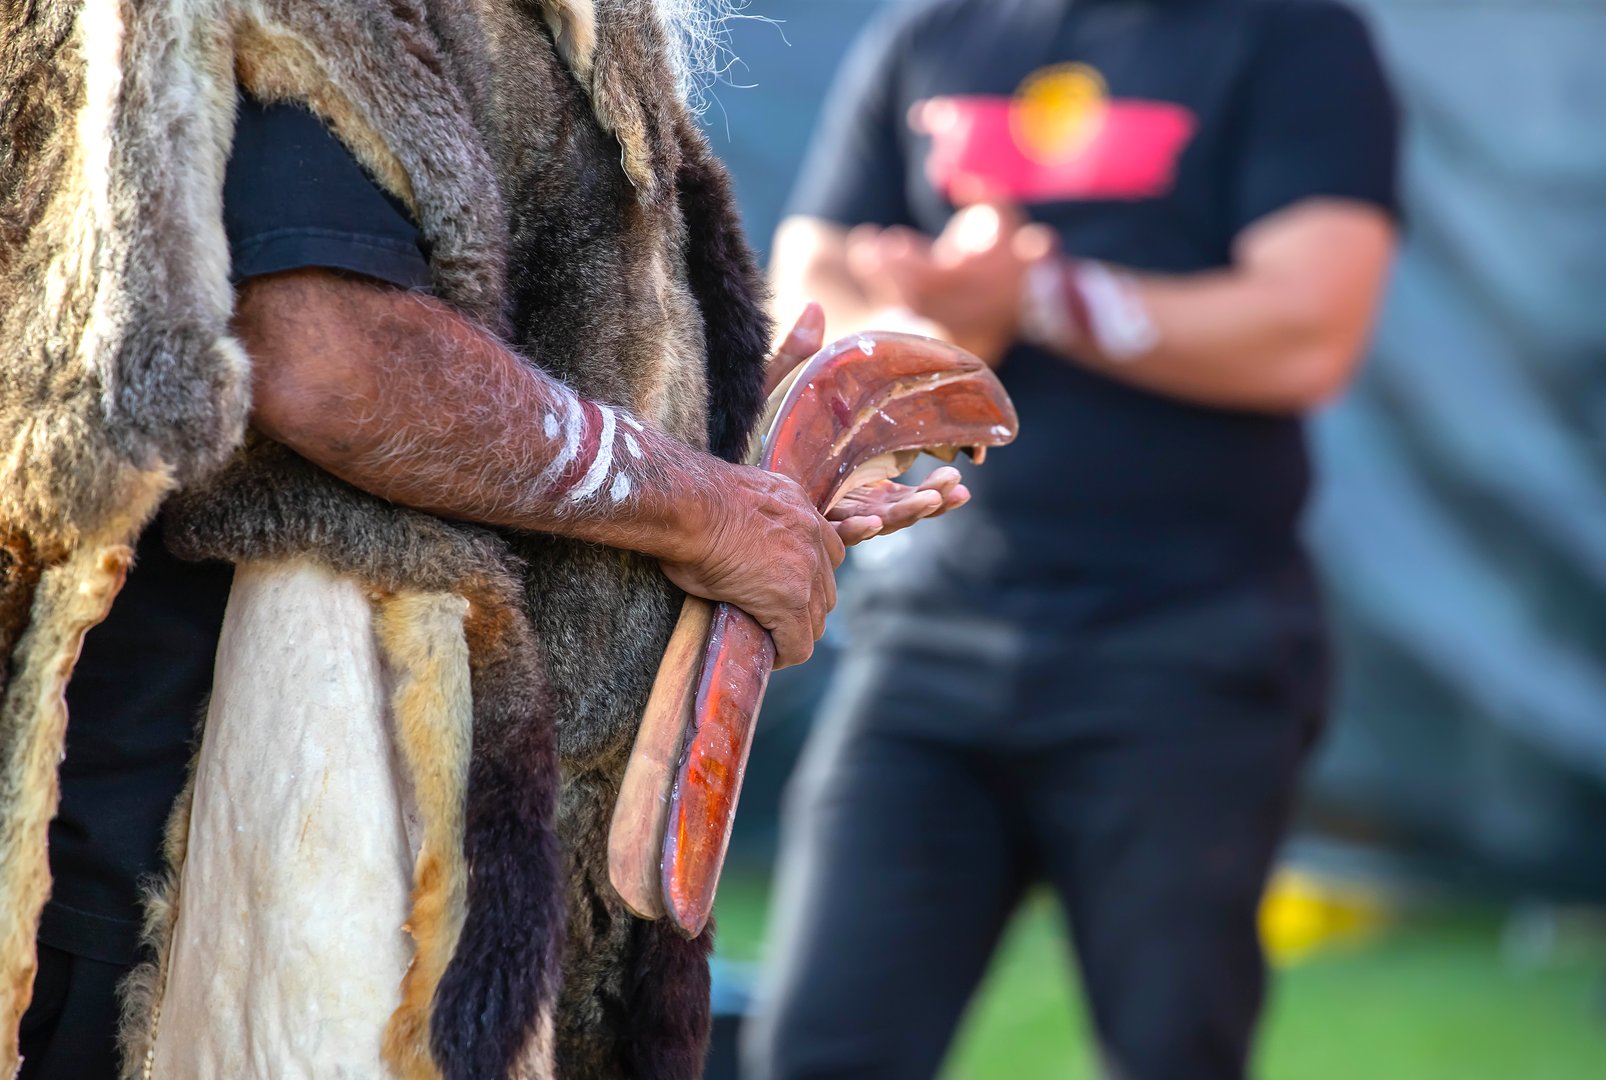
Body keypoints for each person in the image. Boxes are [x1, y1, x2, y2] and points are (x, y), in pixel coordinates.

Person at [3, 7, 968, 1077]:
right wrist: (702, 507)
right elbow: (326, 355)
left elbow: (508, 327)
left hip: (463, 852)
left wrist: (735, 462)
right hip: (206, 845)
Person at [747, 1, 1399, 1077]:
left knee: (1170, 1051)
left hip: (1186, 648)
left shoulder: (1291, 33)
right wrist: (959, 333)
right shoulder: (931, 31)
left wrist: (1037, 300)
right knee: (820, 1046)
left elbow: (1307, 331)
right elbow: (810, 293)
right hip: (928, 649)